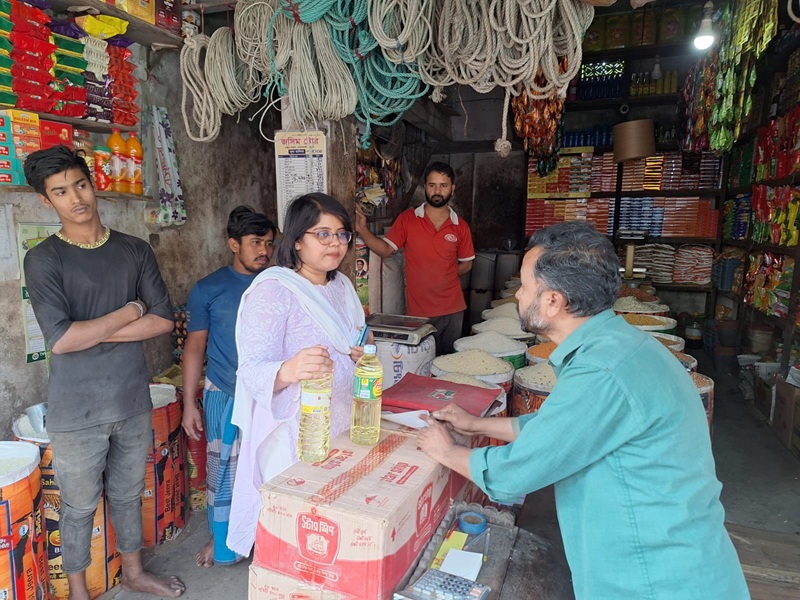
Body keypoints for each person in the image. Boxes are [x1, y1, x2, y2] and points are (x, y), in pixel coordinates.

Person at [416, 222, 749, 599]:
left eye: (524, 287)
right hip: (671, 560)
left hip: (653, 578)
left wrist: (446, 451)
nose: (518, 297)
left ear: (553, 301)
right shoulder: (617, 345)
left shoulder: (601, 371)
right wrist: (477, 423)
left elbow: (514, 472)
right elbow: (561, 429)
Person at [22, 146, 185, 599]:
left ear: (93, 184)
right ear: (46, 201)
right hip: (76, 409)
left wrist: (92, 332)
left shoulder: (133, 249)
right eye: (60, 192)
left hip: (131, 398)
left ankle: (133, 573)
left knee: (129, 493)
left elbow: (163, 321)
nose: (75, 198)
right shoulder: (43, 259)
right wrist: (129, 310)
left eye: (80, 184)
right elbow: (61, 340)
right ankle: (78, 591)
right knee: (77, 507)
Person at [226, 192, 369, 557]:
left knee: (330, 520)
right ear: (297, 241)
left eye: (341, 234)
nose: (335, 243)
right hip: (295, 431)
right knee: (295, 527)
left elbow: (357, 337)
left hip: (341, 423)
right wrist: (288, 369)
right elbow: (252, 367)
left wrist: (359, 353)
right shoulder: (275, 290)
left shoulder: (342, 287)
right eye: (322, 234)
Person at [181, 206, 276, 568]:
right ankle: (223, 539)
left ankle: (267, 538)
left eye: (268, 243)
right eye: (255, 243)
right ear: (233, 244)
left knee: (269, 469)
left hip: (271, 391)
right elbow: (194, 347)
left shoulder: (279, 282)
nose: (263, 251)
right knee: (224, 475)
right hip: (225, 392)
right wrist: (190, 403)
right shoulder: (208, 288)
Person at [355, 161, 474, 354]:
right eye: (432, 185)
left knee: (448, 365)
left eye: (443, 186)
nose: (437, 191)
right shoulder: (408, 219)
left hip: (453, 310)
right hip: (419, 314)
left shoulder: (460, 226)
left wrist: (445, 276)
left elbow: (467, 264)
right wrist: (362, 229)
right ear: (425, 187)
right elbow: (385, 249)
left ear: (452, 189)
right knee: (422, 363)